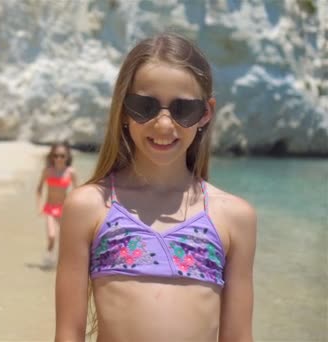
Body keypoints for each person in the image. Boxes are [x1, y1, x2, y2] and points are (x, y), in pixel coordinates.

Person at [55, 33, 257, 342]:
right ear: (123, 109)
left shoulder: (234, 218)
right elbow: (68, 333)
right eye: (145, 107)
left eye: (183, 109)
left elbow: (239, 337)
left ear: (205, 113)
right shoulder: (89, 207)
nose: (163, 125)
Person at [36, 142, 79, 268]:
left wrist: (76, 209)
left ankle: (61, 264)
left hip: (64, 210)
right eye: (56, 156)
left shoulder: (71, 172)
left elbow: (78, 192)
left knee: (66, 239)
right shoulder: (47, 171)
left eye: (62, 156)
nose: (59, 159)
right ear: (51, 156)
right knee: (52, 236)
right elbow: (39, 189)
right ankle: (48, 260)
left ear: (67, 157)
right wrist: (39, 206)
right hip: (49, 208)